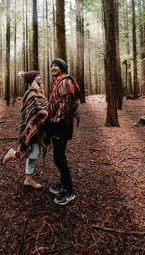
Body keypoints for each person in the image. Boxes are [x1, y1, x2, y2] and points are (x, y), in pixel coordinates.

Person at [1, 70, 48, 189]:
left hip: (38, 129)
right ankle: (13, 154)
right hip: (31, 128)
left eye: (39, 75)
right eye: (37, 76)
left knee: (34, 152)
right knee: (35, 153)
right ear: (32, 79)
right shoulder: (30, 93)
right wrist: (46, 112)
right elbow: (34, 111)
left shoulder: (39, 92)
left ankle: (28, 178)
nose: (40, 77)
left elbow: (43, 106)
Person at [47, 58, 80, 205]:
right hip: (57, 124)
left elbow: (66, 106)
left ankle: (69, 191)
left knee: (59, 158)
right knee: (58, 157)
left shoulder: (66, 81)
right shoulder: (57, 81)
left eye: (56, 65)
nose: (53, 67)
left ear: (62, 68)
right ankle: (63, 184)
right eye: (52, 65)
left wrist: (54, 121)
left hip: (62, 125)